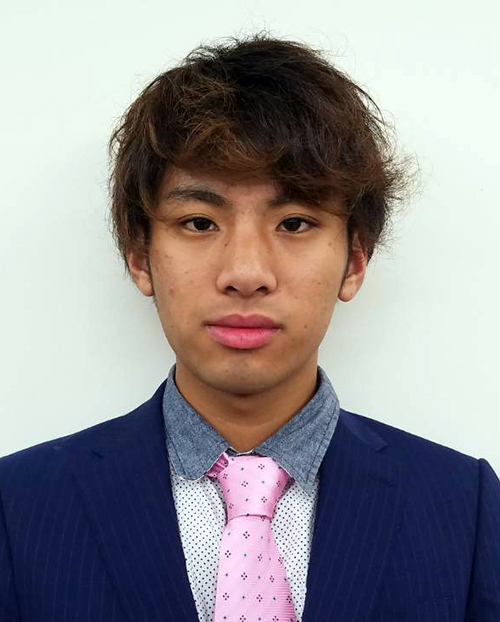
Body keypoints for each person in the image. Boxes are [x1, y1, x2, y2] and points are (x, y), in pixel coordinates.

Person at [0, 33, 499, 622]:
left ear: (355, 260)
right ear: (140, 256)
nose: (245, 273)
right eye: (198, 222)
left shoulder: (464, 505)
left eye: (294, 222)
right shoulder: (18, 506)